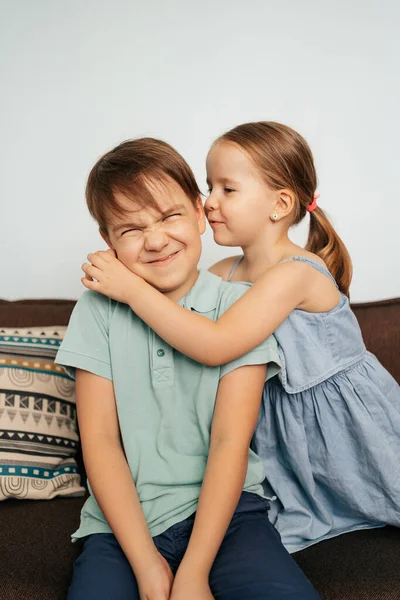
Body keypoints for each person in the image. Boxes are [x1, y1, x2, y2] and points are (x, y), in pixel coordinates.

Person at [83, 122, 400, 555]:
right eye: (209, 186)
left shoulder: (295, 273)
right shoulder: (225, 273)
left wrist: (130, 288)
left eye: (227, 189)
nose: (208, 201)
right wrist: (121, 258)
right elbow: (171, 306)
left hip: (342, 423)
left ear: (280, 203)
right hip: (284, 432)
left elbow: (215, 344)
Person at [57, 136, 320, 600]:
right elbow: (99, 440)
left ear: (200, 213)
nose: (156, 240)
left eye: (169, 216)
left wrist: (193, 573)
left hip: (231, 518)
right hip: (121, 526)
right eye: (131, 229)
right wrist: (147, 566)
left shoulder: (237, 305)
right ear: (108, 241)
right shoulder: (97, 310)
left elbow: (228, 442)